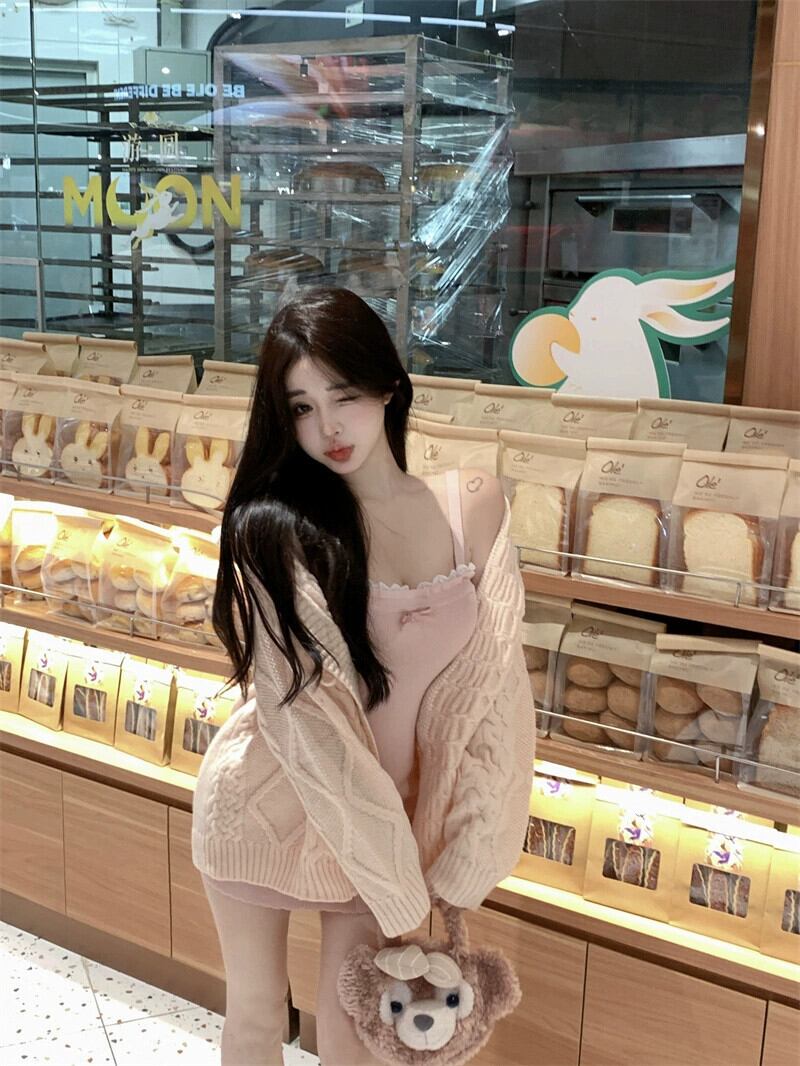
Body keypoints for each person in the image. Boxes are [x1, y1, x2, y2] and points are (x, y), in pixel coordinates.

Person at [191, 288, 535, 1066]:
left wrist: (464, 857)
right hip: (267, 810)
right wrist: (400, 886)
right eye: (302, 408)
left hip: (385, 834)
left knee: (357, 1038)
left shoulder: (471, 504)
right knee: (256, 1016)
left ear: (387, 385)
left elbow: (499, 698)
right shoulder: (274, 531)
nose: (328, 428)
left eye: (343, 395)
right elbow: (307, 729)